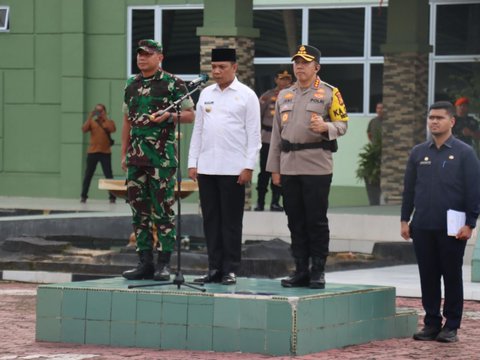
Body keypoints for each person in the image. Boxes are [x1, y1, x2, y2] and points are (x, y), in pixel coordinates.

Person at [266, 45, 349, 289]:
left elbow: (342, 124)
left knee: (316, 220)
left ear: (317, 67)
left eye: (305, 62)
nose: (300, 66)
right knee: (295, 220)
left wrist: (327, 128)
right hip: (289, 165)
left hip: (316, 165)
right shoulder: (284, 95)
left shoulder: (329, 93)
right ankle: (300, 269)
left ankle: (318, 271)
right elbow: (276, 137)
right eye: (297, 62)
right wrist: (274, 169)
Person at [401, 101, 480, 343]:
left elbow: (473, 190)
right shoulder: (418, 152)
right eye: (431, 118)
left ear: (451, 121)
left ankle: (451, 326)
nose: (434, 121)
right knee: (428, 275)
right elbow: (409, 189)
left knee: (451, 275)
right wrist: (405, 219)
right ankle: (431, 323)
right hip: (422, 225)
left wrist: (470, 222)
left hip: (453, 227)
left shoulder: (465, 153)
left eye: (439, 118)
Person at [121, 39, 195, 281]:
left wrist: (168, 115)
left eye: (147, 54)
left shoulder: (174, 83)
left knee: (163, 212)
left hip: (161, 159)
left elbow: (189, 115)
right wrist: (124, 153)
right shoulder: (131, 84)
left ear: (159, 57)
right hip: (136, 158)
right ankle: (144, 262)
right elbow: (127, 122)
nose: (142, 58)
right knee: (138, 212)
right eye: (139, 54)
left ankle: (164, 264)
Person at [188, 48, 261, 285]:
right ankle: (214, 267)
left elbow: (254, 135)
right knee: (210, 219)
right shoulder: (206, 93)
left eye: (222, 67)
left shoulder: (247, 95)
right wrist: (193, 162)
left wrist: (248, 166)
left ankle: (230, 269)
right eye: (214, 67)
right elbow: (198, 130)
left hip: (233, 169)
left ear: (234, 68)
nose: (217, 72)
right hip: (207, 167)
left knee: (230, 221)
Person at [254, 68, 293, 212]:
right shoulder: (267, 96)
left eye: (287, 79)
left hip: (285, 139)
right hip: (267, 138)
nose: (285, 81)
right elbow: (257, 117)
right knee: (264, 171)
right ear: (276, 79)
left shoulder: (293, 96)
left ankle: (275, 202)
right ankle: (260, 202)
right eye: (282, 78)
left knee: (281, 171)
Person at [80, 104, 116, 203]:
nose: (99, 112)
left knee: (108, 175)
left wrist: (104, 118)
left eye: (101, 110)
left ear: (104, 111)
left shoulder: (108, 122)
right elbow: (84, 129)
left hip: (105, 152)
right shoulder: (92, 122)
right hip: (93, 152)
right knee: (88, 174)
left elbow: (112, 129)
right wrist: (90, 116)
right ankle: (83, 196)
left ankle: (112, 197)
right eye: (97, 110)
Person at [365, 102, 383, 206]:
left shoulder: (388, 122)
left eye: (381, 108)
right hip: (375, 151)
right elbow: (369, 134)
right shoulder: (373, 121)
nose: (379, 110)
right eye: (378, 108)